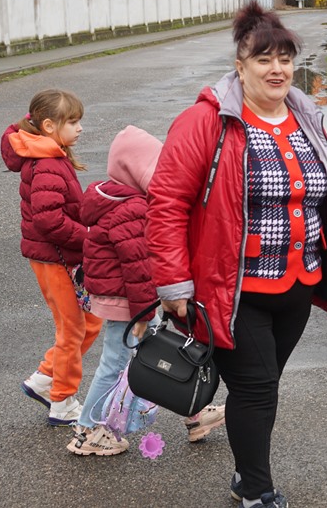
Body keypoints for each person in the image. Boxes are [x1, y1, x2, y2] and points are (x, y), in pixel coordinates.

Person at [148, 1, 327, 508]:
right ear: (240, 65)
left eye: (285, 59)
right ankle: (255, 489)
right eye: (263, 60)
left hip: (296, 284)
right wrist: (174, 282)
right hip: (233, 290)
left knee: (262, 386)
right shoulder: (207, 122)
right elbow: (165, 202)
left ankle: (247, 475)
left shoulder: (306, 116)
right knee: (256, 389)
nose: (277, 70)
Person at [66, 125, 226, 456]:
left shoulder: (120, 200)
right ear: (137, 170)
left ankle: (193, 416)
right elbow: (138, 268)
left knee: (157, 355)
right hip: (130, 302)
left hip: (129, 299)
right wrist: (145, 312)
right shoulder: (133, 208)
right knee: (116, 363)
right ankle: (86, 428)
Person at [1, 89, 102, 427]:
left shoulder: (52, 155)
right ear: (48, 125)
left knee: (90, 322)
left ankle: (45, 379)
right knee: (72, 328)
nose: (79, 128)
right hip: (55, 259)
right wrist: (87, 237)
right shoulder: (46, 164)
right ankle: (62, 400)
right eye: (72, 122)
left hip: (60, 257)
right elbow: (49, 220)